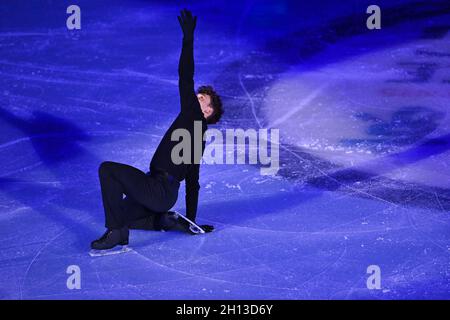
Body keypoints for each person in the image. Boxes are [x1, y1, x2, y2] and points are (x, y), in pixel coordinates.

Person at [91, 8, 224, 250]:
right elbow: (192, 181)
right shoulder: (199, 137)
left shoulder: (192, 115)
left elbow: (185, 76)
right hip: (163, 196)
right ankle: (163, 220)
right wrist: (191, 221)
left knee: (108, 170)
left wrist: (188, 40)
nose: (197, 96)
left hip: (158, 189)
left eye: (202, 98)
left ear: (207, 112)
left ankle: (116, 233)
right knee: (119, 210)